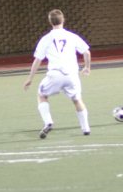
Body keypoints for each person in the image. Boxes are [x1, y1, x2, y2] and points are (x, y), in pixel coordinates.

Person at [24, 9, 91, 137]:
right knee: (77, 100)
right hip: (71, 74)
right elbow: (86, 52)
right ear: (63, 20)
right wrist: (87, 67)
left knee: (41, 95)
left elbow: (37, 60)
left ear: (50, 22)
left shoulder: (46, 39)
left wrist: (30, 78)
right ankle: (86, 128)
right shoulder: (72, 36)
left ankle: (48, 122)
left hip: (55, 74)